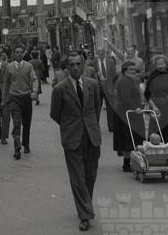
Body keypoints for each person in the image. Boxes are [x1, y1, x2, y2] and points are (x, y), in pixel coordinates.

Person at [50, 51, 102, 232]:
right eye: (71, 65)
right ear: (67, 67)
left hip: (92, 136)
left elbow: (96, 107)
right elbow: (55, 113)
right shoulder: (60, 89)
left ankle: (85, 204)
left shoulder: (92, 85)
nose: (75, 68)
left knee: (90, 175)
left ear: (83, 65)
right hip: (72, 137)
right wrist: (69, 125)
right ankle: (85, 215)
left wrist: (90, 124)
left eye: (78, 64)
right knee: (77, 178)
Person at [3, 45, 38, 159]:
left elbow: (34, 79)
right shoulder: (9, 67)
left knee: (26, 123)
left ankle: (26, 144)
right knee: (16, 123)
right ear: (13, 53)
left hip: (26, 97)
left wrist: (34, 91)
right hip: (14, 98)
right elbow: (6, 83)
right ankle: (17, 147)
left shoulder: (28, 66)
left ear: (23, 53)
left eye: (21, 52)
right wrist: (4, 99)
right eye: (17, 52)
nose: (19, 54)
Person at [112, 60, 145, 172]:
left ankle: (131, 161)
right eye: (130, 69)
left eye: (134, 69)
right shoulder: (124, 80)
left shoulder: (131, 80)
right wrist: (135, 108)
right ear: (124, 70)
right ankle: (126, 164)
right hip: (125, 113)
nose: (133, 71)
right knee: (128, 138)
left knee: (132, 137)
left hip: (131, 113)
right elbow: (126, 96)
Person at [94, 49, 117, 133]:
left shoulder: (110, 62)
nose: (101, 53)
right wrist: (96, 76)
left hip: (109, 88)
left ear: (105, 52)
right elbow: (90, 75)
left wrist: (115, 88)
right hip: (98, 88)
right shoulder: (93, 63)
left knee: (110, 108)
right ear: (97, 53)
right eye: (99, 51)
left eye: (102, 51)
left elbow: (115, 76)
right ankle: (95, 126)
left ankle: (111, 126)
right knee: (97, 108)